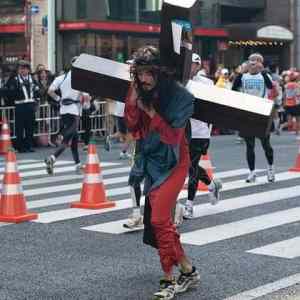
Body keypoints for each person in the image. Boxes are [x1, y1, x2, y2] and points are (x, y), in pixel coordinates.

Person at [124, 46, 200, 300]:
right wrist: (134, 103)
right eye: (140, 73)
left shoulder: (179, 97)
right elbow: (132, 126)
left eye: (148, 73)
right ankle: (188, 270)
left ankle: (168, 279)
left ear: (159, 73)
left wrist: (152, 112)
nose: (143, 79)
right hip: (151, 161)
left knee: (158, 220)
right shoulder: (138, 89)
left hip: (175, 161)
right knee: (161, 222)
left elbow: (170, 137)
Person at [181, 53, 222, 220]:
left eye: (193, 64)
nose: (190, 67)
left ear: (198, 66)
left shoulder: (206, 83)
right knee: (186, 165)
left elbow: (212, 107)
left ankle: (189, 205)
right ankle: (212, 185)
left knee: (191, 168)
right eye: (187, 64)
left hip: (200, 132)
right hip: (182, 131)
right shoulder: (179, 82)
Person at [232, 53, 275, 183]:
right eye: (251, 60)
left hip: (261, 112)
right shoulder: (243, 76)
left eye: (257, 60)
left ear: (261, 63)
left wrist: (262, 71)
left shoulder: (264, 75)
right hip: (248, 112)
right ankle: (252, 172)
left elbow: (270, 87)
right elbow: (233, 89)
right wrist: (240, 73)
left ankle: (271, 169)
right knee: (249, 145)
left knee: (265, 144)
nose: (253, 63)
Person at [45, 56, 90, 175]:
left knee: (74, 139)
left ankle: (78, 164)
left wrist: (59, 98)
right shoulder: (81, 80)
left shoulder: (62, 77)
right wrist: (86, 106)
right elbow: (86, 98)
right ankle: (52, 158)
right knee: (67, 140)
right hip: (74, 111)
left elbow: (50, 91)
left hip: (63, 110)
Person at [5, 60, 40, 153]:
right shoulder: (14, 79)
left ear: (28, 70)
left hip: (30, 105)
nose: (23, 70)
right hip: (20, 105)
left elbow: (37, 90)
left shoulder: (32, 79)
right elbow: (9, 92)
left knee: (30, 127)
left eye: (25, 68)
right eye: (21, 68)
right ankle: (20, 147)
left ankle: (29, 145)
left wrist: (36, 101)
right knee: (19, 127)